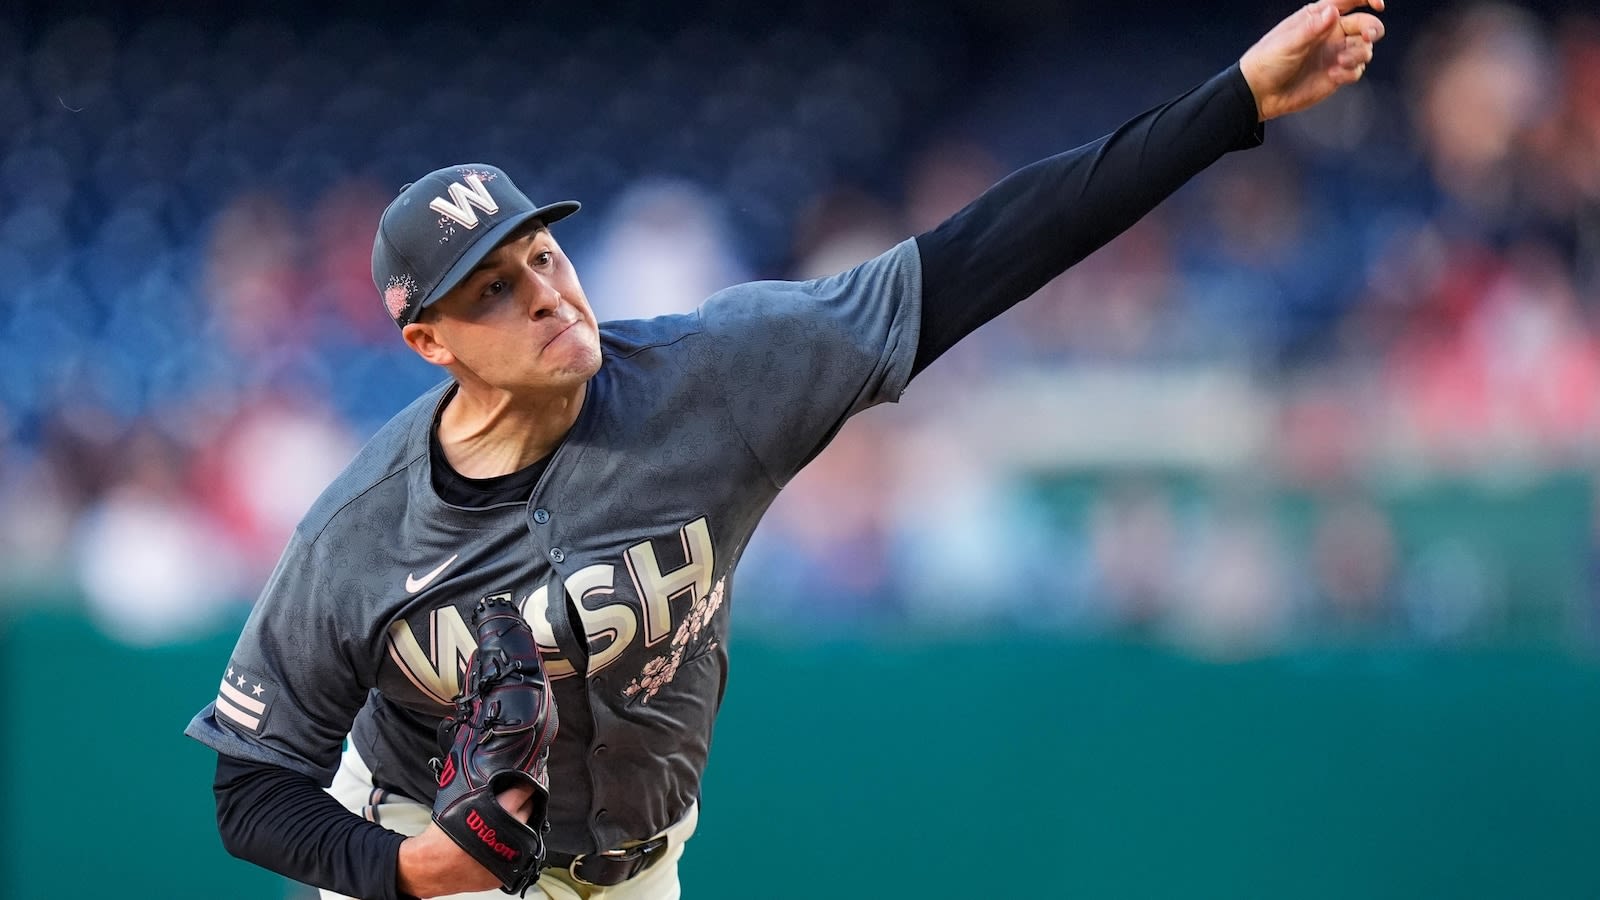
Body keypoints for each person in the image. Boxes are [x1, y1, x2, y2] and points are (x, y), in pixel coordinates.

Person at [186, 2, 1386, 897]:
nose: (547, 293)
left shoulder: (723, 375)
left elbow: (976, 255)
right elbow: (252, 784)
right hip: (427, 843)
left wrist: (1230, 104)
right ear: (427, 339)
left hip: (635, 868)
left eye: (543, 254)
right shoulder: (362, 528)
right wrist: (404, 870)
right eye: (493, 290)